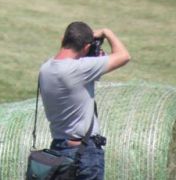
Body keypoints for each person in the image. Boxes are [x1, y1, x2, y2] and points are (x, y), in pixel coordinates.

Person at [38, 22, 131, 180]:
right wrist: (106, 32)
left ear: (63, 40)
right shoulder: (80, 69)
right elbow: (124, 56)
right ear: (87, 47)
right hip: (84, 153)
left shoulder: (45, 69)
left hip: (58, 148)